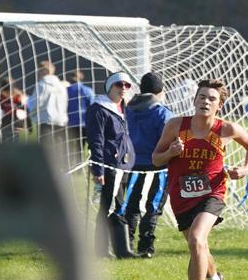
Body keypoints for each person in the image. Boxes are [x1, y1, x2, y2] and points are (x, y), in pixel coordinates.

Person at [151, 79, 248, 280]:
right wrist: (170, 152)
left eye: (211, 99)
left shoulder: (227, 129)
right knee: (198, 247)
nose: (205, 102)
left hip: (213, 193)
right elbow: (155, 158)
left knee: (197, 239)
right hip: (181, 195)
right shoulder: (175, 126)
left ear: (219, 105)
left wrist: (245, 168)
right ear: (194, 100)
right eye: (202, 97)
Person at [85, 71, 137, 258]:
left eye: (127, 85)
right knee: (113, 207)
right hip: (109, 166)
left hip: (123, 166)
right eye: (119, 84)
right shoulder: (99, 109)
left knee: (113, 207)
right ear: (109, 87)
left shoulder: (124, 109)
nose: (123, 88)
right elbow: (96, 141)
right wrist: (98, 169)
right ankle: (116, 251)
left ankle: (111, 250)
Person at [125, 72, 173, 257]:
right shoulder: (162, 113)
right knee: (153, 205)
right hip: (158, 166)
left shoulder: (128, 109)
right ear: (160, 91)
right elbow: (169, 138)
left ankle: (126, 243)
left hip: (132, 164)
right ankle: (145, 246)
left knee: (132, 204)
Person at [30, 60, 70, 161]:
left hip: (46, 120)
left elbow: (36, 103)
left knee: (46, 149)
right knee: (58, 148)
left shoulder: (41, 84)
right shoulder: (61, 86)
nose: (38, 73)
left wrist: (30, 114)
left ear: (45, 71)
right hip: (60, 121)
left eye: (39, 71)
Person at [65, 69, 94, 169]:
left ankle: (73, 166)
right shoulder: (87, 90)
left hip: (71, 123)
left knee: (73, 147)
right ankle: (85, 166)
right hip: (85, 123)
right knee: (85, 146)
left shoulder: (67, 91)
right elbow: (92, 106)